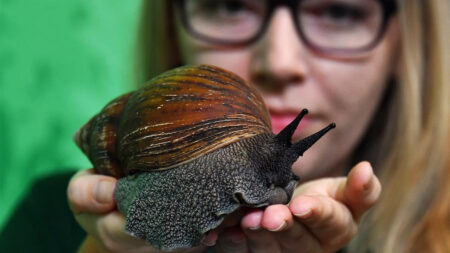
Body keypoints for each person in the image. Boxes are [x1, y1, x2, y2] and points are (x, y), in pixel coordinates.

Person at [67, 0, 450, 252]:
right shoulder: (47, 223)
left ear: (406, 45)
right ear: (172, 27)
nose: (280, 61)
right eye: (230, 4)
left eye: (338, 11)